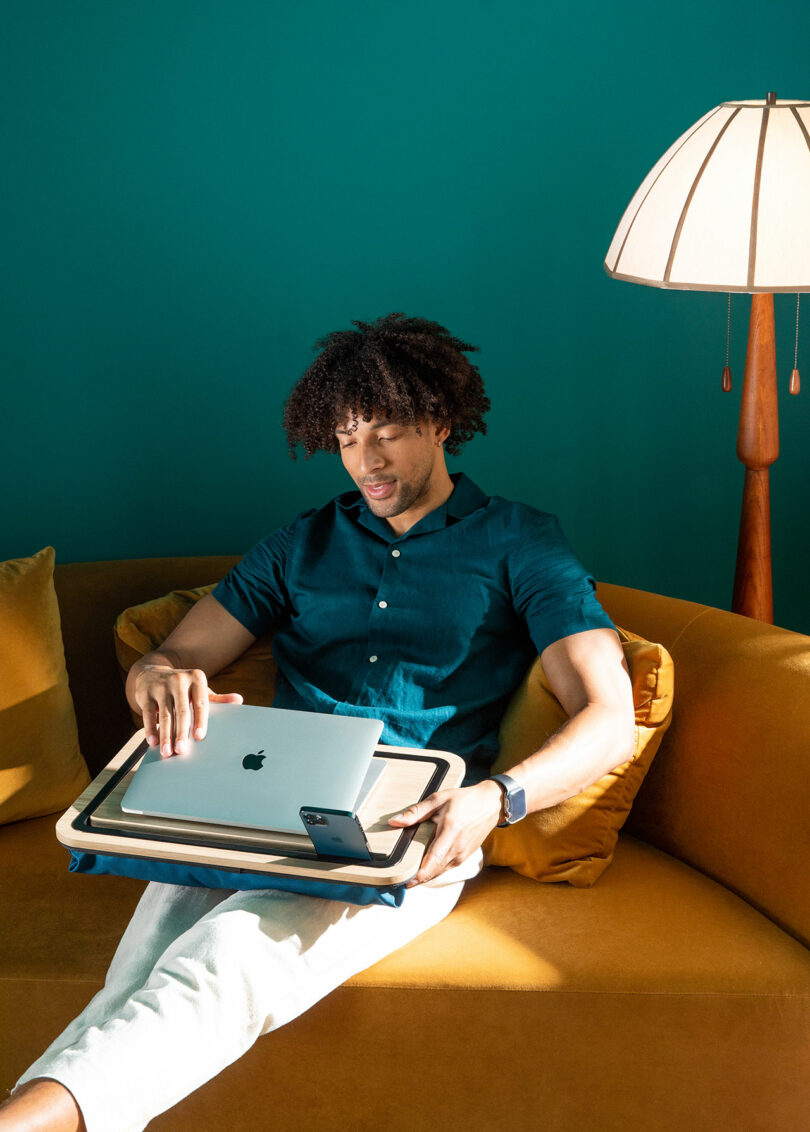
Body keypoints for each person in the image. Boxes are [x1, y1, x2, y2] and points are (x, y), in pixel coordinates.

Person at [1, 313, 635, 1131]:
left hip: (404, 826)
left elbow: (609, 716)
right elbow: (167, 658)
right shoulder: (299, 545)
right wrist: (158, 682)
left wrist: (496, 798)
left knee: (223, 961)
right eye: (346, 438)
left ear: (441, 422)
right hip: (262, 804)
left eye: (390, 433)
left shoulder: (524, 543)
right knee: (138, 974)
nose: (367, 462)